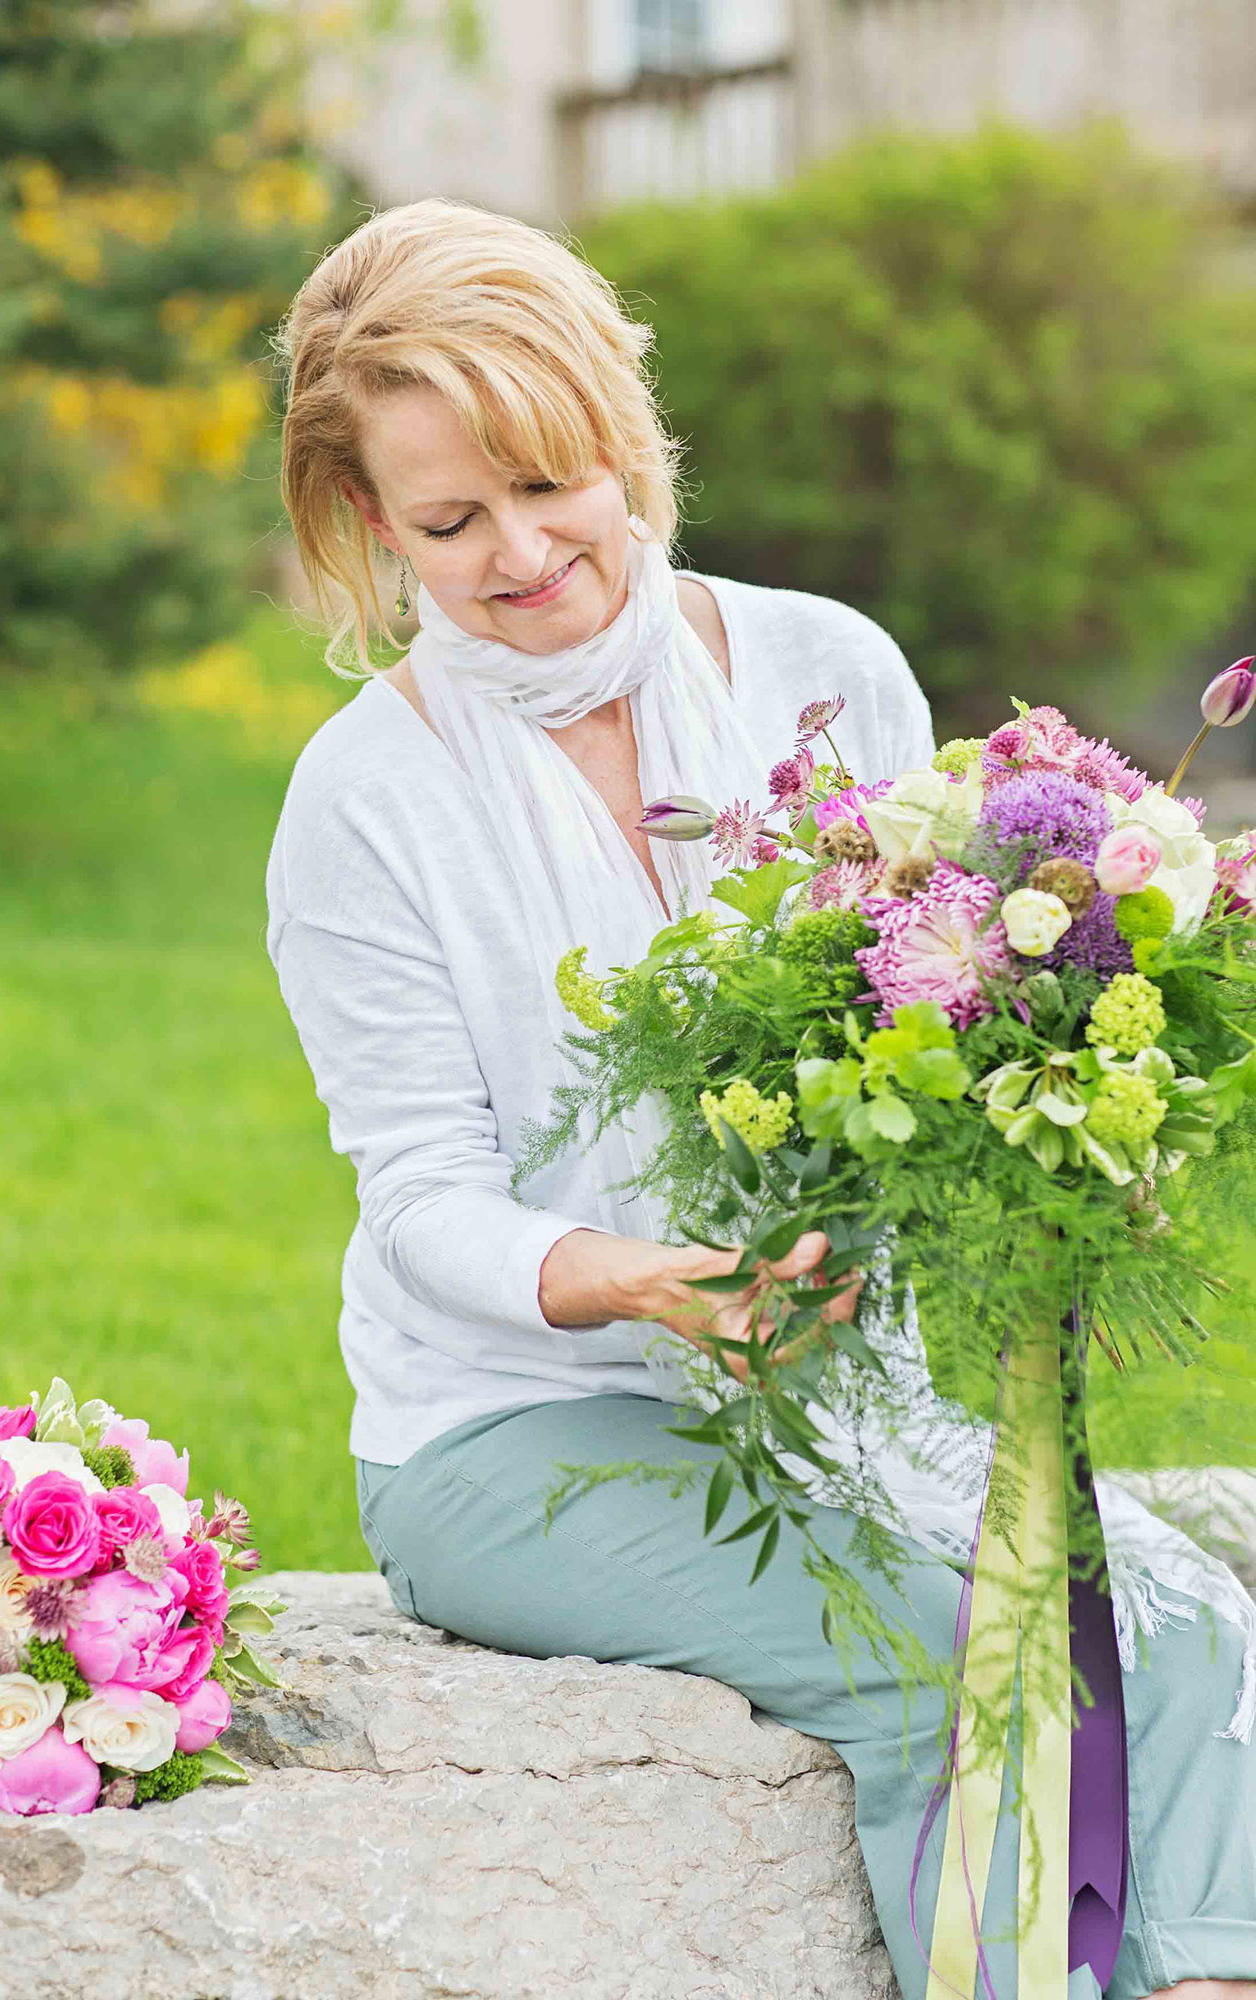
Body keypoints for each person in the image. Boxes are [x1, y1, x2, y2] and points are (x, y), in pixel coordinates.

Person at [265, 196, 1256, 2000]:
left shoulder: (822, 668)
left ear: (623, 439)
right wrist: (650, 1283)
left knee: (1180, 1620)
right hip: (516, 1434)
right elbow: (420, 1204)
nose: (521, 552)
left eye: (550, 482)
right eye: (447, 520)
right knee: (959, 1646)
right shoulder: (364, 798)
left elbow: (927, 1020)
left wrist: (1063, 1126)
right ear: (361, 522)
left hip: (842, 1388)